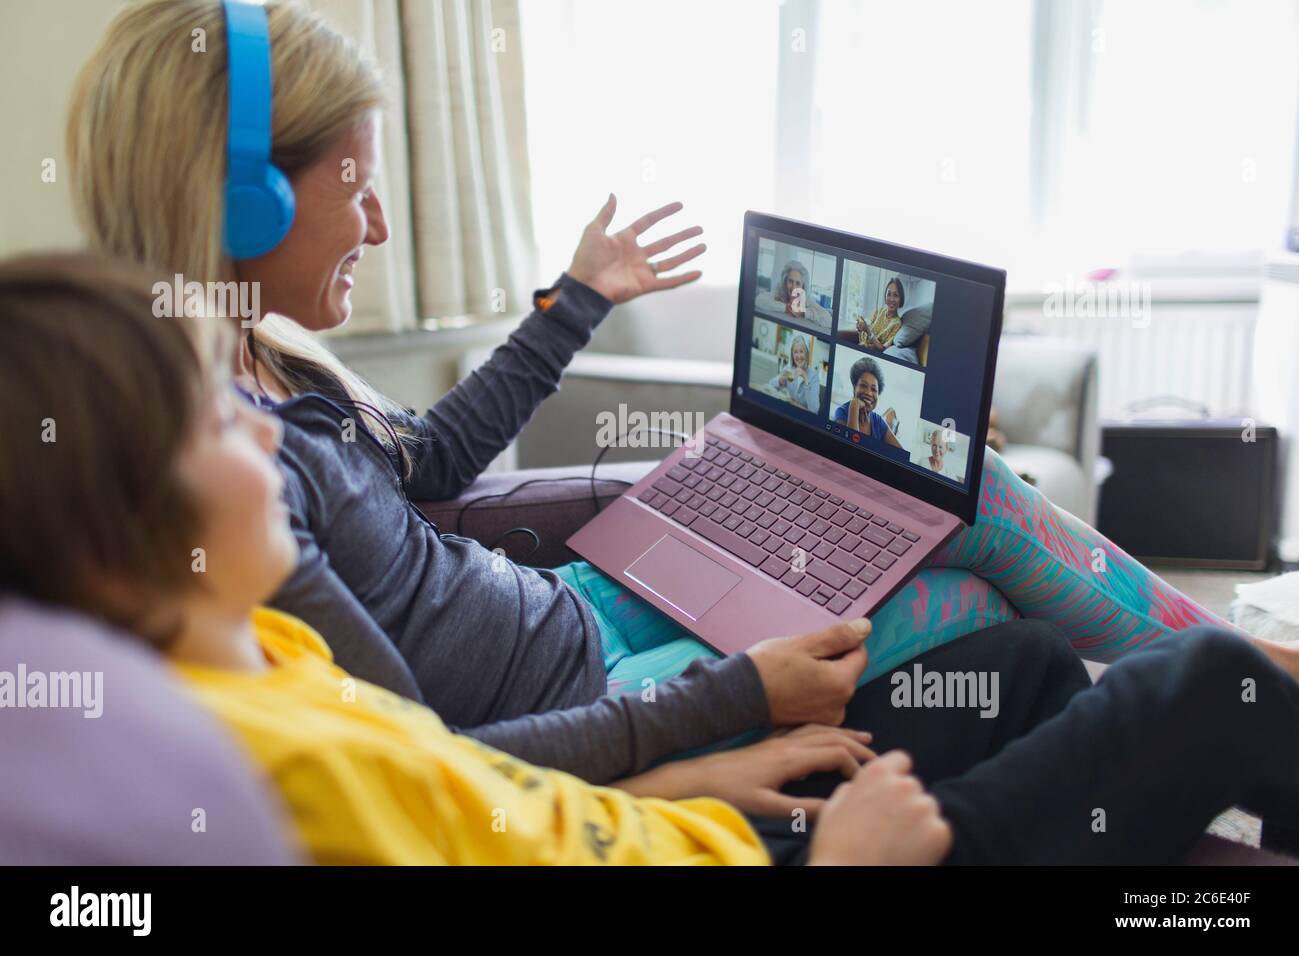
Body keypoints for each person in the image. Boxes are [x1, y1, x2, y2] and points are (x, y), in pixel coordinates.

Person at [67, 0, 1239, 787]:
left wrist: (575, 297)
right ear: (244, 203)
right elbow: (434, 762)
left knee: (953, 492)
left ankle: (1239, 672)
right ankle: (1238, 684)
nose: (377, 223)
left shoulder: (260, 366)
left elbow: (424, 465)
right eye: (358, 187)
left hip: (580, 602)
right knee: (977, 574)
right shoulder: (229, 477)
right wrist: (736, 702)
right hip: (620, 693)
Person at [5, 252, 1299, 866]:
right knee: (1212, 685)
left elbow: (467, 772)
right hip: (776, 853)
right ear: (134, 513)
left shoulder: (271, 653)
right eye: (220, 417)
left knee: (1017, 663)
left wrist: (695, 764)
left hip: (686, 797)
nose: (265, 424)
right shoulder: (263, 770)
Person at [832, 356, 905, 449]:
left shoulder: (878, 422)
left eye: (874, 389)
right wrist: (854, 405)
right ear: (854, 388)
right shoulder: (841, 412)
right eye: (863, 385)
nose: (868, 393)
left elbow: (901, 454)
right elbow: (849, 450)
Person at [755, 259, 833, 330]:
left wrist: (804, 312)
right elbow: (758, 300)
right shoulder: (780, 291)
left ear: (803, 286)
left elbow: (829, 321)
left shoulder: (806, 299)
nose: (794, 287)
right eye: (790, 281)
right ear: (785, 281)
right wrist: (786, 308)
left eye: (798, 283)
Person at [766, 333, 820, 412]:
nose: (798, 356)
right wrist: (780, 381)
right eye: (795, 352)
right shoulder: (789, 369)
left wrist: (805, 378)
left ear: (806, 354)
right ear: (792, 355)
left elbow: (814, 409)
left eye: (801, 351)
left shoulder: (813, 377)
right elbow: (770, 385)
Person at [856, 276, 905, 350]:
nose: (891, 299)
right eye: (889, 294)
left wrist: (868, 333)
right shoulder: (879, 311)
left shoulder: (897, 324)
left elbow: (883, 348)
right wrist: (861, 327)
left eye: (895, 295)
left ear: (901, 299)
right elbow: (866, 329)